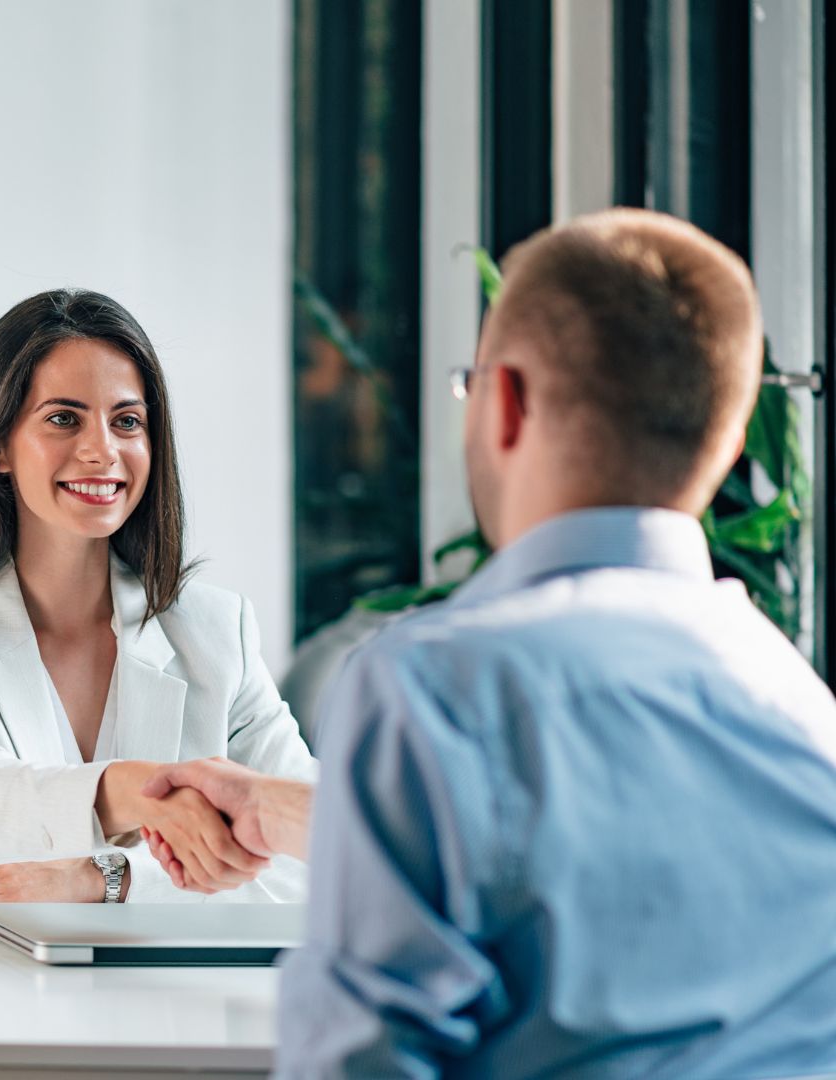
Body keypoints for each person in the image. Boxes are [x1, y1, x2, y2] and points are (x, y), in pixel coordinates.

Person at [142, 209, 836, 1077]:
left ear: (506, 402)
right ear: (730, 444)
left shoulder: (433, 688)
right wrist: (276, 809)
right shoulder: (803, 708)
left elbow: (362, 1065)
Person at [0, 288, 315, 909]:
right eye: (64, 418)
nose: (102, 450)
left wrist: (108, 879)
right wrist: (155, 794)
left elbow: (321, 852)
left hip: (167, 997)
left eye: (127, 421)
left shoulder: (218, 628)